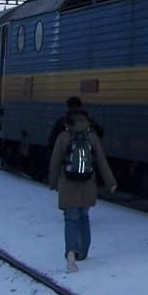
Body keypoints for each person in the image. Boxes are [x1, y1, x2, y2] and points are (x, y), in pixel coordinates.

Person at [48, 107, 117, 272]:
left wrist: (52, 182)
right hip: (88, 184)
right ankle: (83, 251)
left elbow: (55, 161)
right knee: (84, 217)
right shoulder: (92, 138)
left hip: (68, 185)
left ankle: (71, 254)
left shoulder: (63, 137)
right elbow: (101, 161)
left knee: (70, 219)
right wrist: (111, 182)